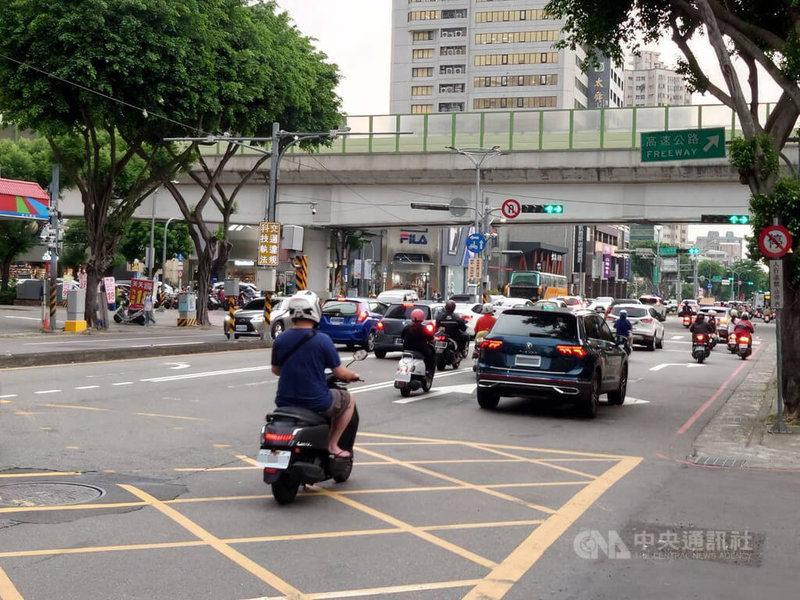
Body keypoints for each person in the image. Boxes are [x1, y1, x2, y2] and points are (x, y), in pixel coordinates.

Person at [271, 295, 360, 458]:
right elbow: (340, 372)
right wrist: (353, 375)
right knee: (349, 399)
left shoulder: (281, 338)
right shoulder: (323, 340)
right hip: (316, 401)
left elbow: (276, 370)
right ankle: (333, 444)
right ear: (315, 312)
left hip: (284, 401)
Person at [401, 308, 435, 376]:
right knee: (431, 356)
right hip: (421, 350)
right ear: (422, 318)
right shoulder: (424, 328)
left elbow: (402, 337)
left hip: (406, 350)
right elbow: (431, 339)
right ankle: (428, 372)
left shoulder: (407, 328)